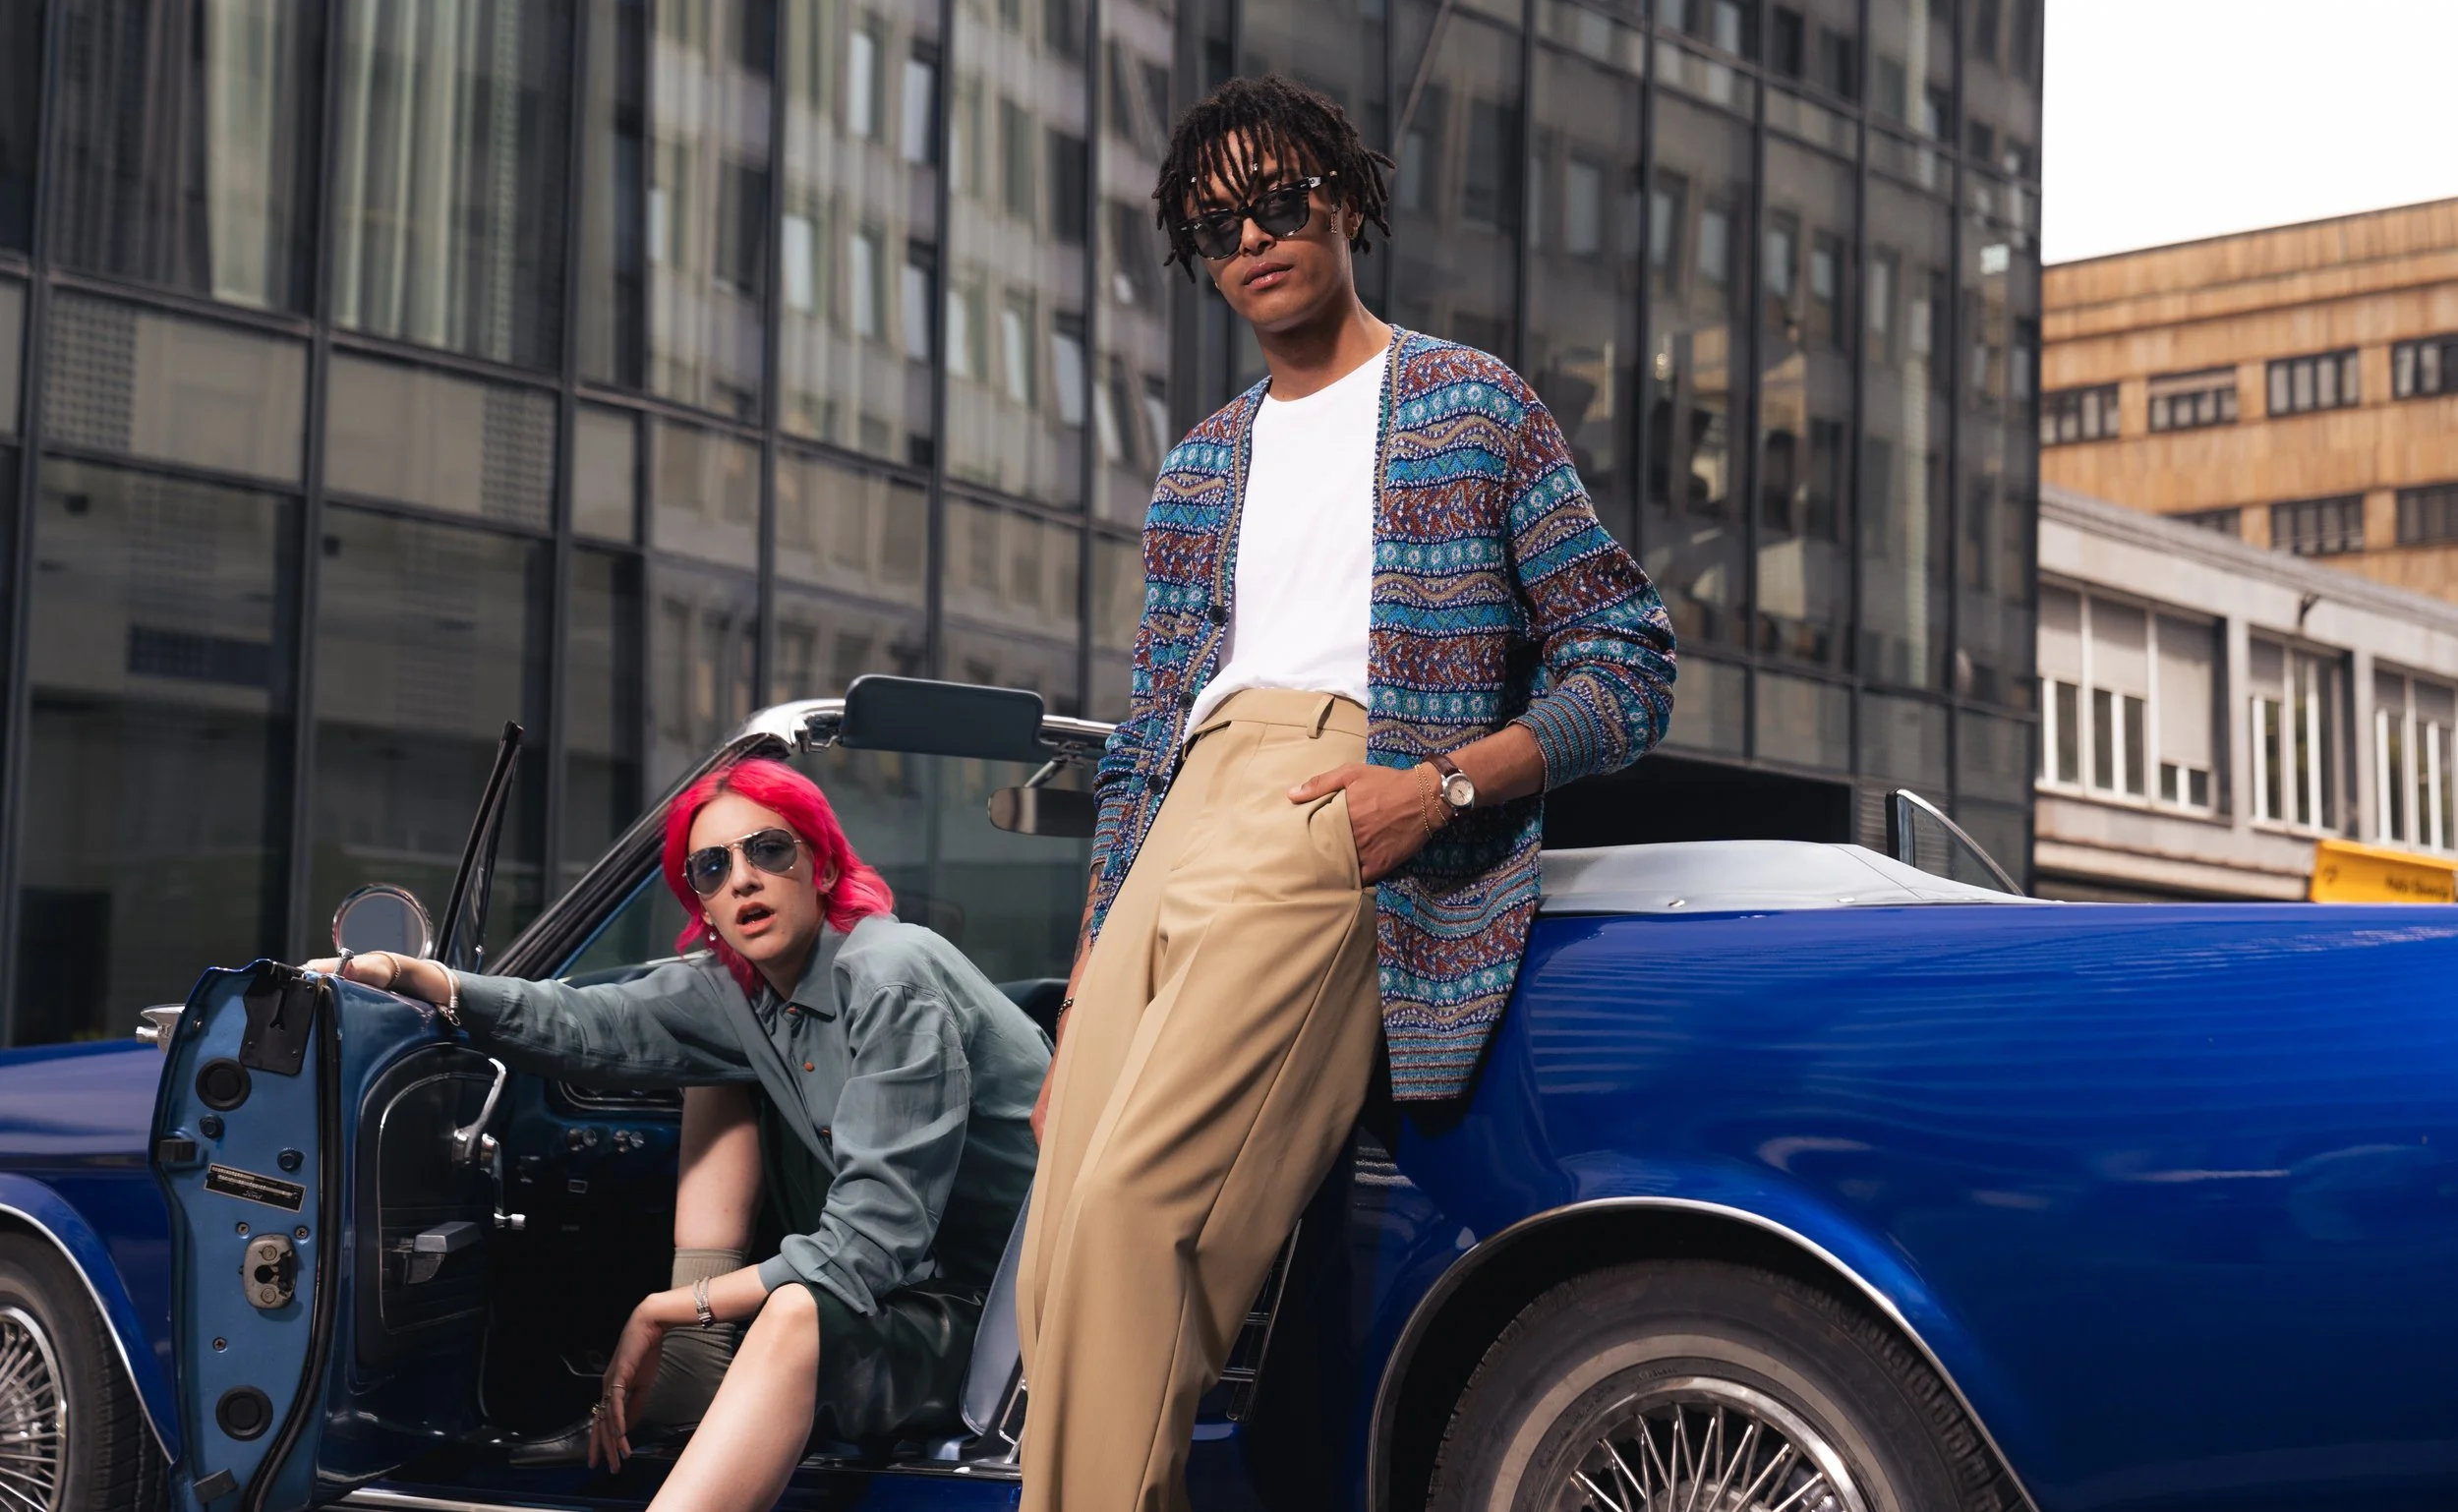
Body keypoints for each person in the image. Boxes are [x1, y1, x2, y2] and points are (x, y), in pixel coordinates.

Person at [1014, 74, 1678, 1512]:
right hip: (1181, 811)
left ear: (1345, 199)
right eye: (1217, 224)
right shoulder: (1201, 463)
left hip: (1338, 797)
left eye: (1277, 200)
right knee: (1056, 1246)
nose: (1253, 237)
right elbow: (1141, 742)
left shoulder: (1471, 404)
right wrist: (1085, 984)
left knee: (1135, 1218)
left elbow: (1627, 663)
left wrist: (1439, 787)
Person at [317, 759, 1047, 1512]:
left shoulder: (890, 973)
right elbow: (585, 1020)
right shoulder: (748, 994)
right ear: (702, 901)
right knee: (714, 1065)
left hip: (1012, 1327)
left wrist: (671, 1306)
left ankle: (690, 1393)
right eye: (712, 867)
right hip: (920, 1295)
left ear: (823, 866)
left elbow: (868, 1248)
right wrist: (416, 976)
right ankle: (691, 1394)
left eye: (769, 849)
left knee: (796, 1311)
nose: (743, 879)